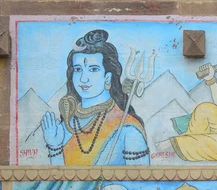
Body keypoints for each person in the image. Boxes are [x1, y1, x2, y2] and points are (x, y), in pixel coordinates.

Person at [41, 29, 150, 166]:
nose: (83, 79)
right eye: (78, 69)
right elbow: (60, 184)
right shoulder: (66, 125)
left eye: (93, 69)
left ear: (107, 78)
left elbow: (139, 185)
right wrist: (55, 147)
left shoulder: (127, 129)